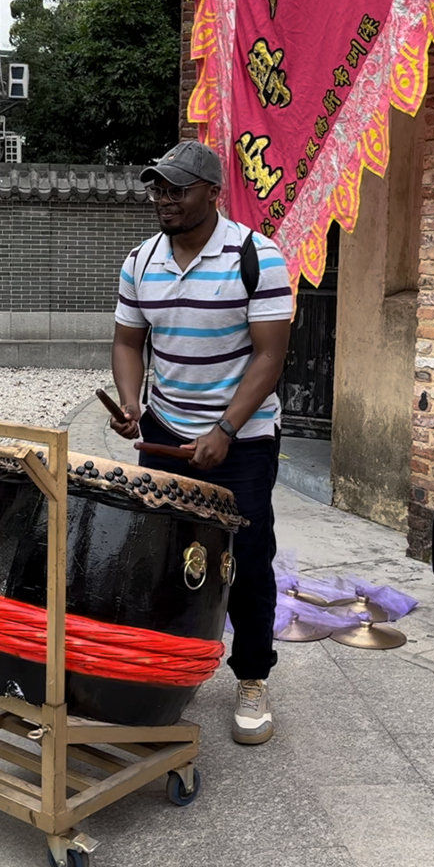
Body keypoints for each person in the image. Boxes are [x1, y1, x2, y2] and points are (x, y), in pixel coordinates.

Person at [110, 141, 292, 743]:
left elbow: (271, 355)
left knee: (245, 559)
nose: (164, 198)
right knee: (161, 552)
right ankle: (166, 671)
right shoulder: (140, 261)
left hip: (243, 438)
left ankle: (252, 676)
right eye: (157, 187)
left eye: (178, 188)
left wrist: (225, 430)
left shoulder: (255, 256)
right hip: (165, 430)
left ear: (213, 193)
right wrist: (133, 403)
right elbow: (129, 342)